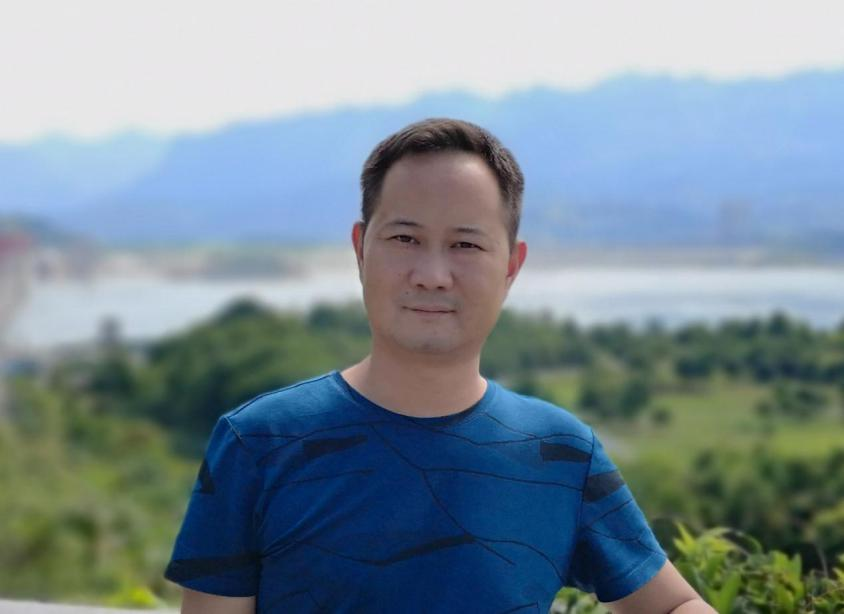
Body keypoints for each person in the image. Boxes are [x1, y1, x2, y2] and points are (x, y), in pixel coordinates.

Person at [164, 118, 715, 613]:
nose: (432, 275)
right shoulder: (258, 443)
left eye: (466, 245)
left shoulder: (561, 452)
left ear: (512, 265)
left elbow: (671, 605)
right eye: (405, 238)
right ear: (360, 249)